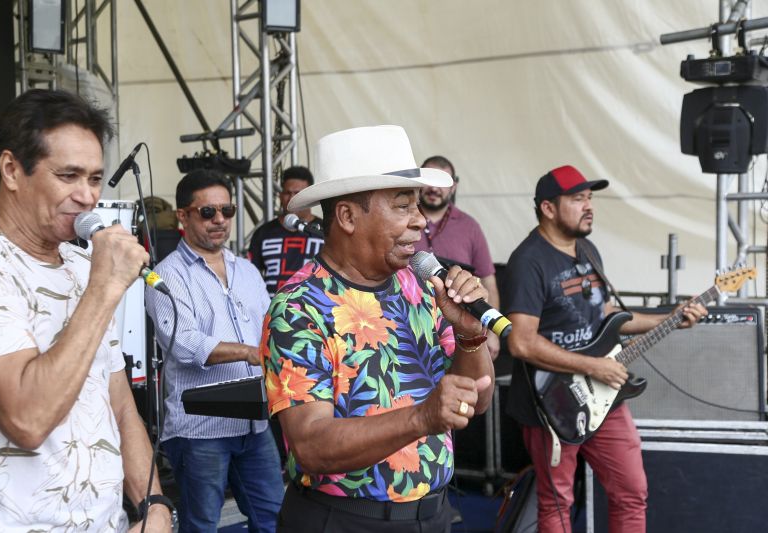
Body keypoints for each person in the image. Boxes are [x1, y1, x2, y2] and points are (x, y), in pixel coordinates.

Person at [261, 125, 495, 532]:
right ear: (348, 217)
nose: (420, 221)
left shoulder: (421, 287)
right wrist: (421, 418)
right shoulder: (299, 306)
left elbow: (477, 402)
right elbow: (311, 444)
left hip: (431, 516)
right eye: (403, 206)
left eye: (418, 206)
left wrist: (472, 338)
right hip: (344, 522)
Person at [0, 89, 172, 531]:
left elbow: (118, 403)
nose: (86, 196)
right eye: (69, 176)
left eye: (96, 179)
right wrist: (105, 287)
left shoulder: (84, 265)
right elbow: (27, 419)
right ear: (11, 170)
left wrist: (154, 503)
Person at [500, 165, 707, 533]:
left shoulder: (588, 250)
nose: (588, 206)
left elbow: (607, 314)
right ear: (548, 208)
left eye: (590, 198)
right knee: (558, 502)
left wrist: (670, 317)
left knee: (631, 492)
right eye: (578, 198)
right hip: (550, 403)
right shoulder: (528, 261)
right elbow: (521, 341)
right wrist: (593, 367)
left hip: (605, 397)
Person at [144, 169, 284, 533]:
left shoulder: (248, 271)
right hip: (200, 430)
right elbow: (184, 343)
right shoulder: (167, 274)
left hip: (254, 422)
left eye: (228, 210)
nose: (220, 220)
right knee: (202, 526)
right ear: (183, 216)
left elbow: (270, 329)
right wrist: (249, 353)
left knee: (274, 521)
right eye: (208, 212)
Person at [413, 155, 500, 359]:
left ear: (454, 186)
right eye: (429, 180)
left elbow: (489, 283)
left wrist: (493, 333)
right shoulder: (403, 221)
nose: (435, 188)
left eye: (443, 182)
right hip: (409, 330)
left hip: (458, 333)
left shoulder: (470, 227)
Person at [248, 165, 324, 296]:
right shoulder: (264, 233)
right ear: (280, 196)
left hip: (314, 312)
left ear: (310, 197)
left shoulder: (325, 231)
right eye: (288, 193)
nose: (292, 198)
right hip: (272, 312)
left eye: (298, 194)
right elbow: (249, 278)